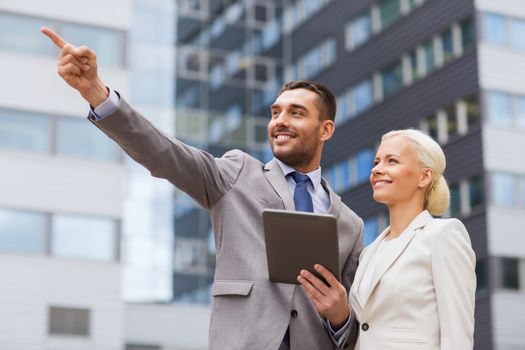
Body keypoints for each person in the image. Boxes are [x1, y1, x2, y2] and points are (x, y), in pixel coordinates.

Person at [41, 27, 363, 350]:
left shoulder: (349, 224)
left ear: (326, 129)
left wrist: (340, 316)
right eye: (275, 112)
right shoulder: (237, 174)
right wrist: (96, 92)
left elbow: (355, 334)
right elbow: (164, 153)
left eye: (296, 113)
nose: (280, 121)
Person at [299, 129, 477, 349]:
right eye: (376, 162)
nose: (377, 169)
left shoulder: (443, 235)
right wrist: (339, 314)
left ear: (424, 176)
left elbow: (458, 335)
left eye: (392, 161)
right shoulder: (369, 252)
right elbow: (365, 329)